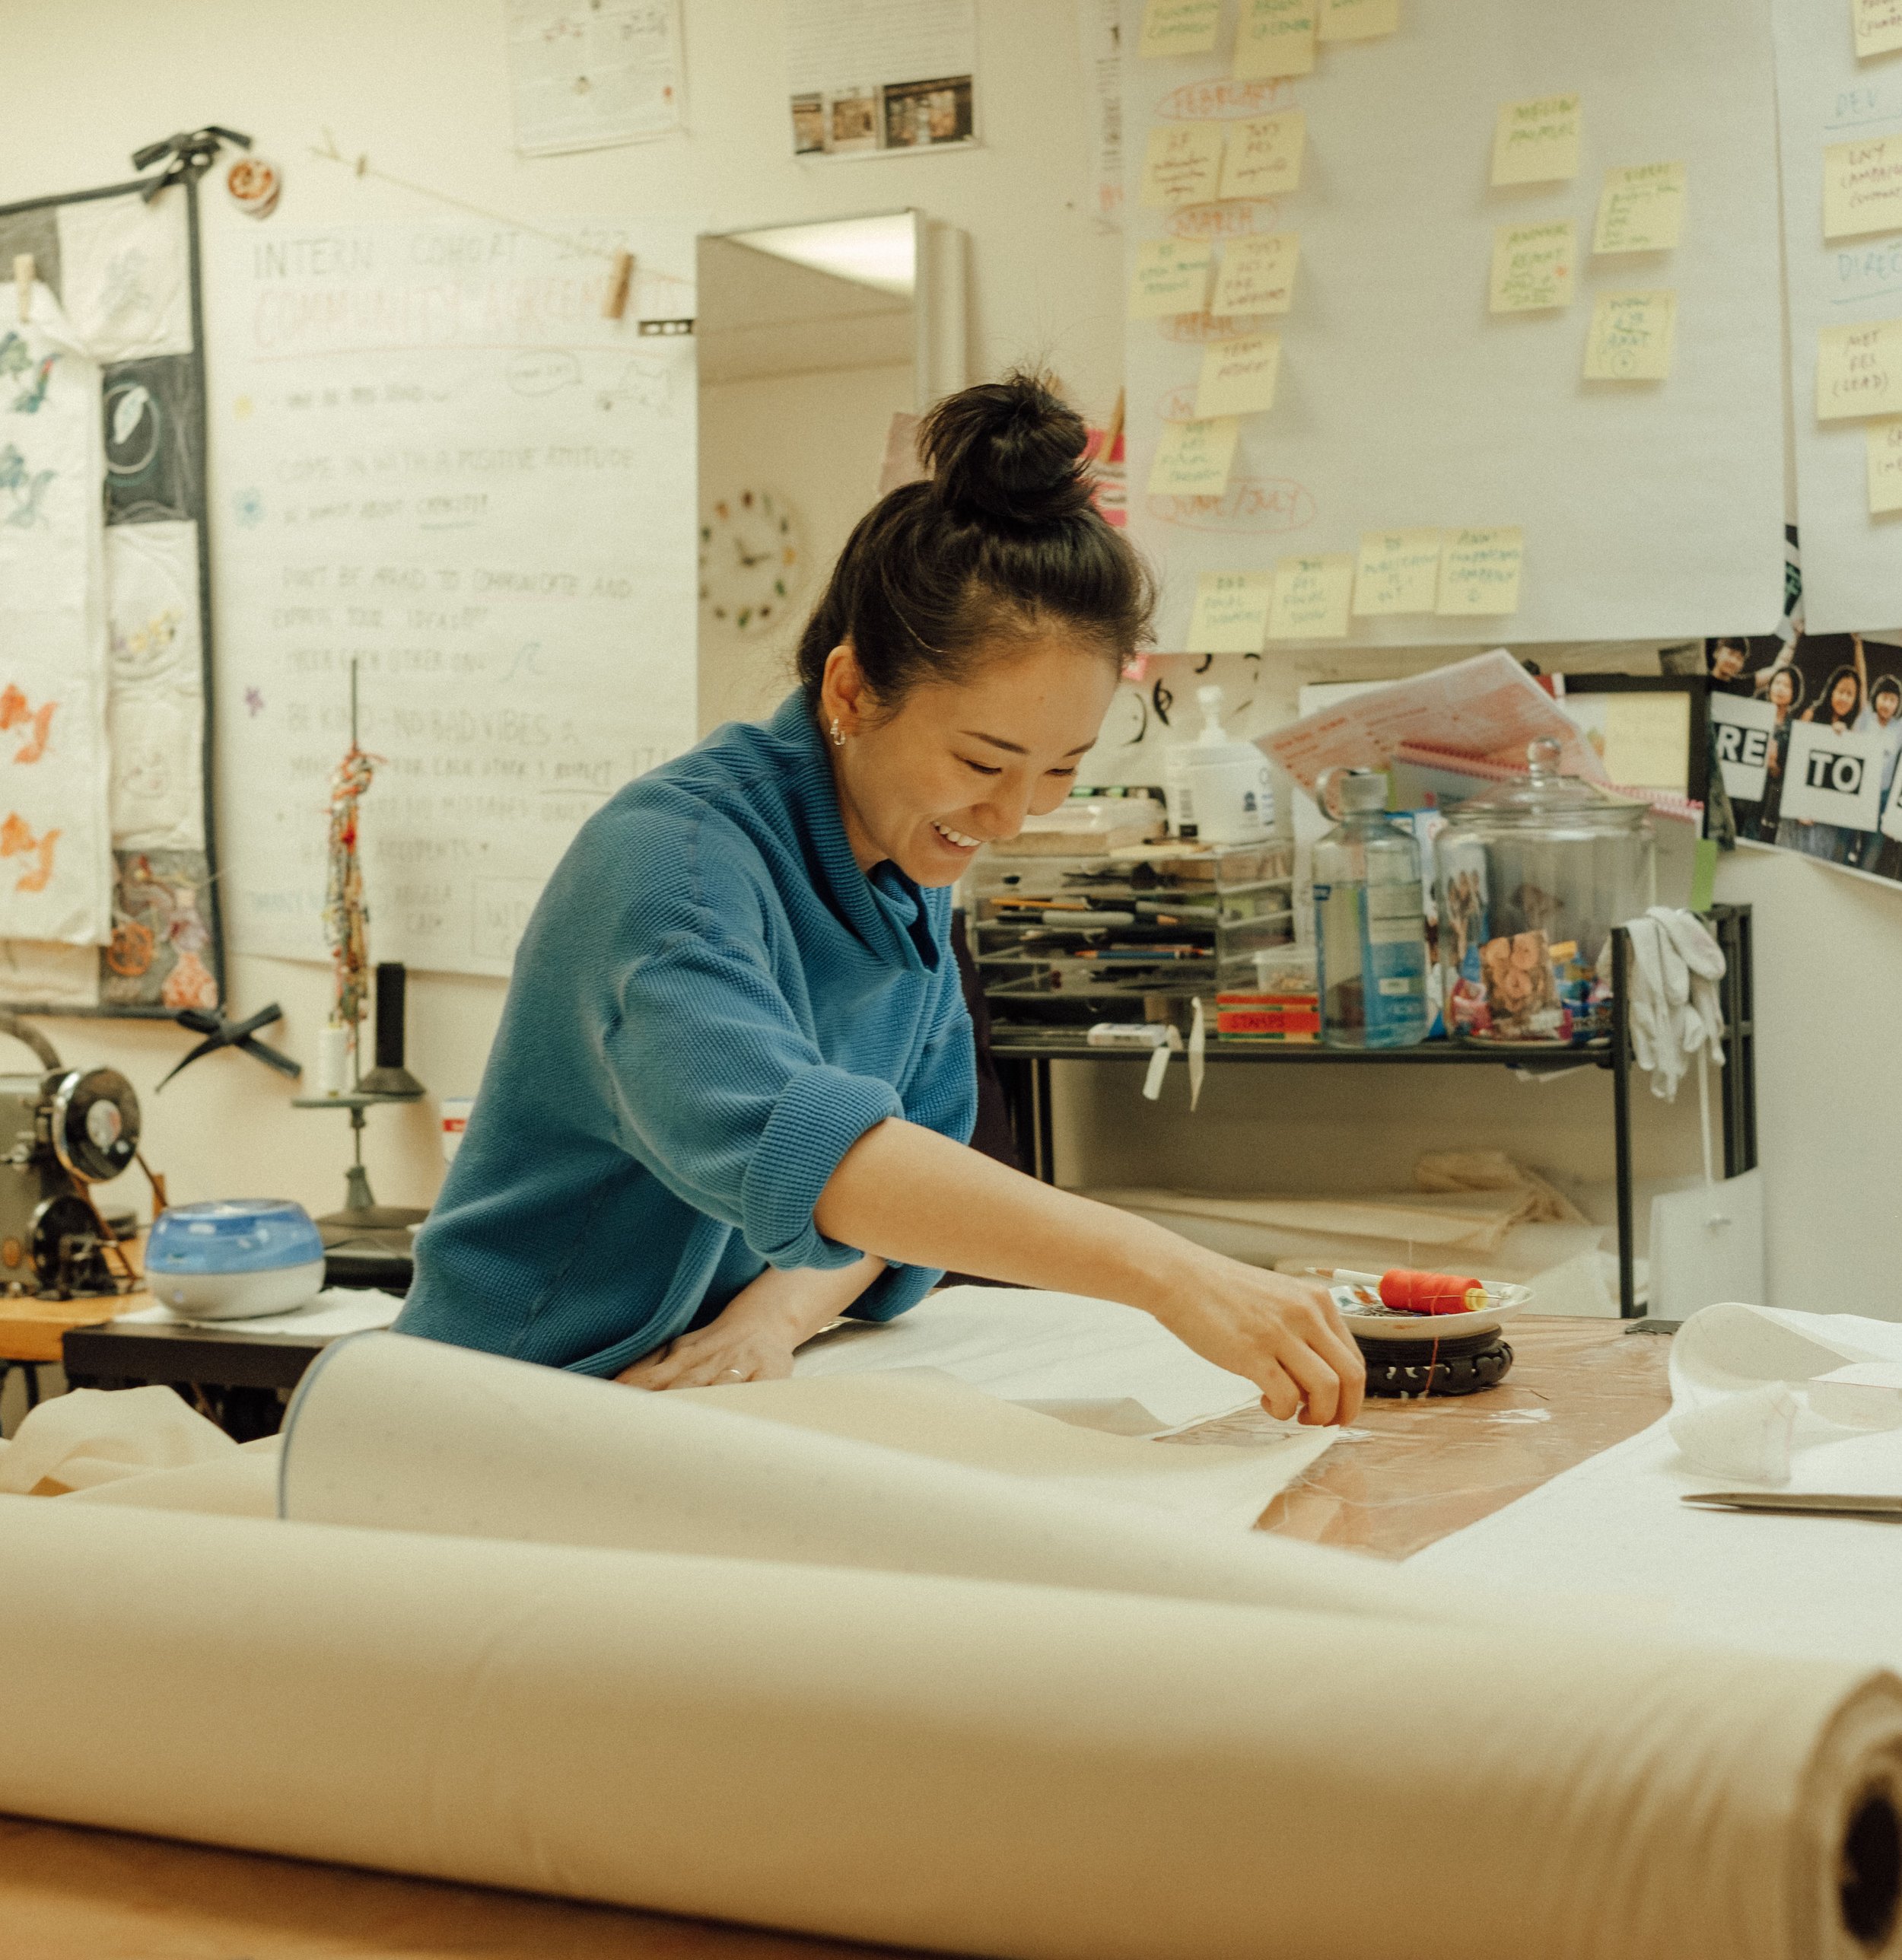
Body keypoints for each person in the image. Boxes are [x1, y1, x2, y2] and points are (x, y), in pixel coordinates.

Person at [396, 373, 1364, 1427]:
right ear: (852, 691)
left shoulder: (904, 881)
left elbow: (911, 1192)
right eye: (983, 760)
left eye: (1058, 770)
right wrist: (1171, 1274)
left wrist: (772, 1317)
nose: (1012, 818)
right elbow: (823, 1160)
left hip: (686, 1412)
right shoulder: (670, 870)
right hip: (502, 1411)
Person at [1775, 641, 1864, 864]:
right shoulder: (1811, 715)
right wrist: (1799, 808)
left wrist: (1858, 644)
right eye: (1841, 691)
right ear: (1831, 690)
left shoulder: (1852, 729)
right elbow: (1795, 765)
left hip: (1826, 817)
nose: (1844, 698)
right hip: (1798, 810)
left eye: (1850, 694)